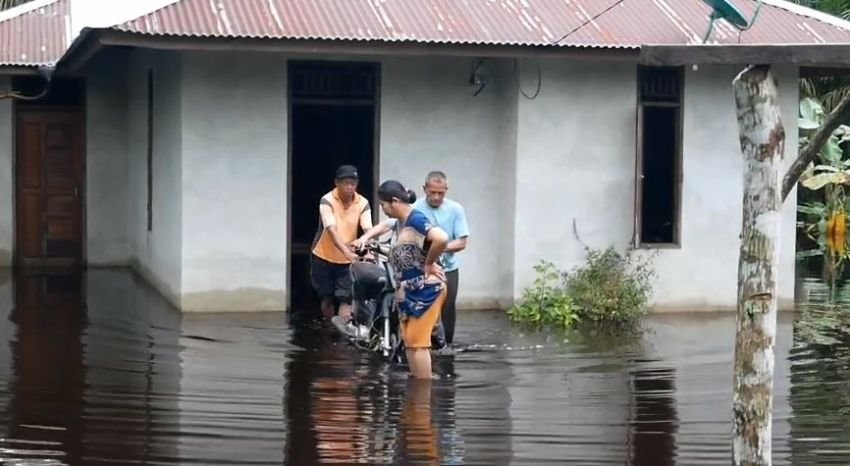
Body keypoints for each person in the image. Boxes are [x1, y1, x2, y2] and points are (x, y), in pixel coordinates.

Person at [354, 180, 449, 379]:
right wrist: (365, 239)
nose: (383, 209)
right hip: (409, 290)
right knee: (411, 344)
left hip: (426, 289)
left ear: (394, 201)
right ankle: (416, 395)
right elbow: (384, 226)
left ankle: (423, 397)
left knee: (418, 344)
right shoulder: (400, 222)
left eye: (383, 205)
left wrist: (429, 263)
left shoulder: (416, 220)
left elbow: (441, 238)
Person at [310, 165, 372, 334]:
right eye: (346, 183)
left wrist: (368, 249)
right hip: (323, 255)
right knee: (327, 297)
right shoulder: (327, 200)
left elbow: (368, 229)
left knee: (346, 297)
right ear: (336, 183)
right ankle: (330, 328)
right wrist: (347, 253)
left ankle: (343, 334)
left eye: (353, 183)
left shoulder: (363, 202)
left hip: (347, 260)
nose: (350, 187)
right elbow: (331, 230)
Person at [414, 171, 469, 348]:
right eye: (432, 193)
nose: (436, 197)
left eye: (441, 193)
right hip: (420, 266)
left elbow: (462, 242)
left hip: (448, 266)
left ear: (446, 190)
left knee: (448, 306)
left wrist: (439, 247)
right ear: (425, 189)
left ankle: (448, 345)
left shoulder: (455, 209)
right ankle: (423, 343)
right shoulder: (415, 208)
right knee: (421, 304)